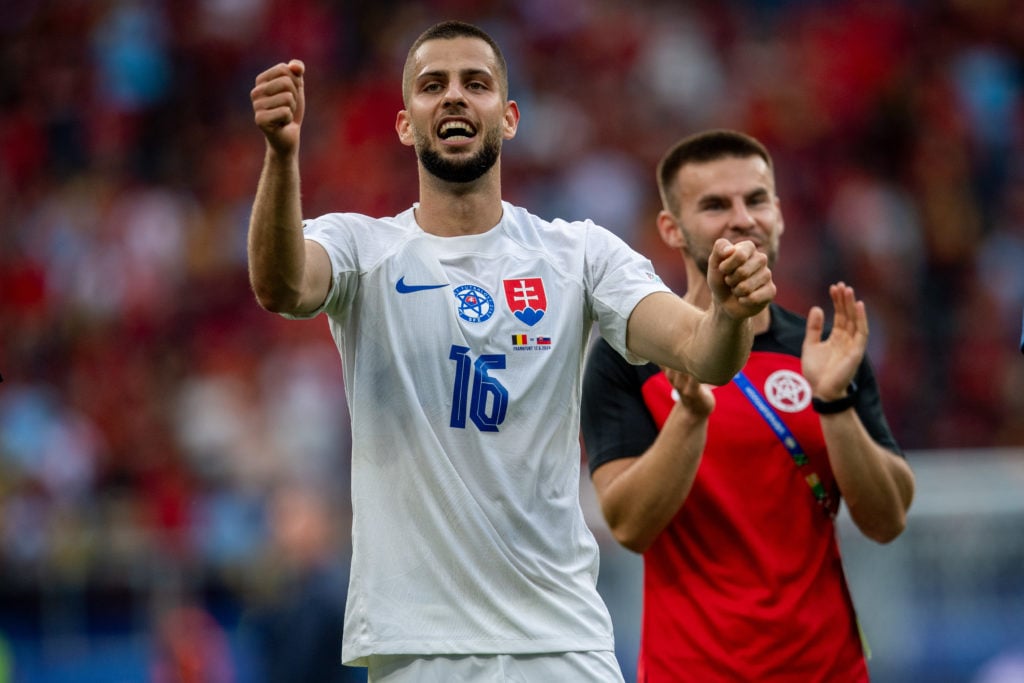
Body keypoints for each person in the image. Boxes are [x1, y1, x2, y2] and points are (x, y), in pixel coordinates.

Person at [247, 21, 775, 683]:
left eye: (477, 83)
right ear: (406, 124)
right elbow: (280, 284)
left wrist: (727, 311)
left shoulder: (579, 254)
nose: (455, 98)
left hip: (561, 643)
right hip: (419, 649)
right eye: (432, 85)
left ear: (511, 116)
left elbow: (705, 353)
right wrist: (281, 154)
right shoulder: (364, 249)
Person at [581, 129, 916, 682]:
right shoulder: (629, 356)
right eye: (715, 205)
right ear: (671, 228)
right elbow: (628, 526)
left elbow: (887, 520)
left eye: (756, 200)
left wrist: (834, 402)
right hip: (692, 671)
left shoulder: (825, 348)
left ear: (780, 216)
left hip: (829, 669)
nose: (742, 218)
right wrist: (689, 415)